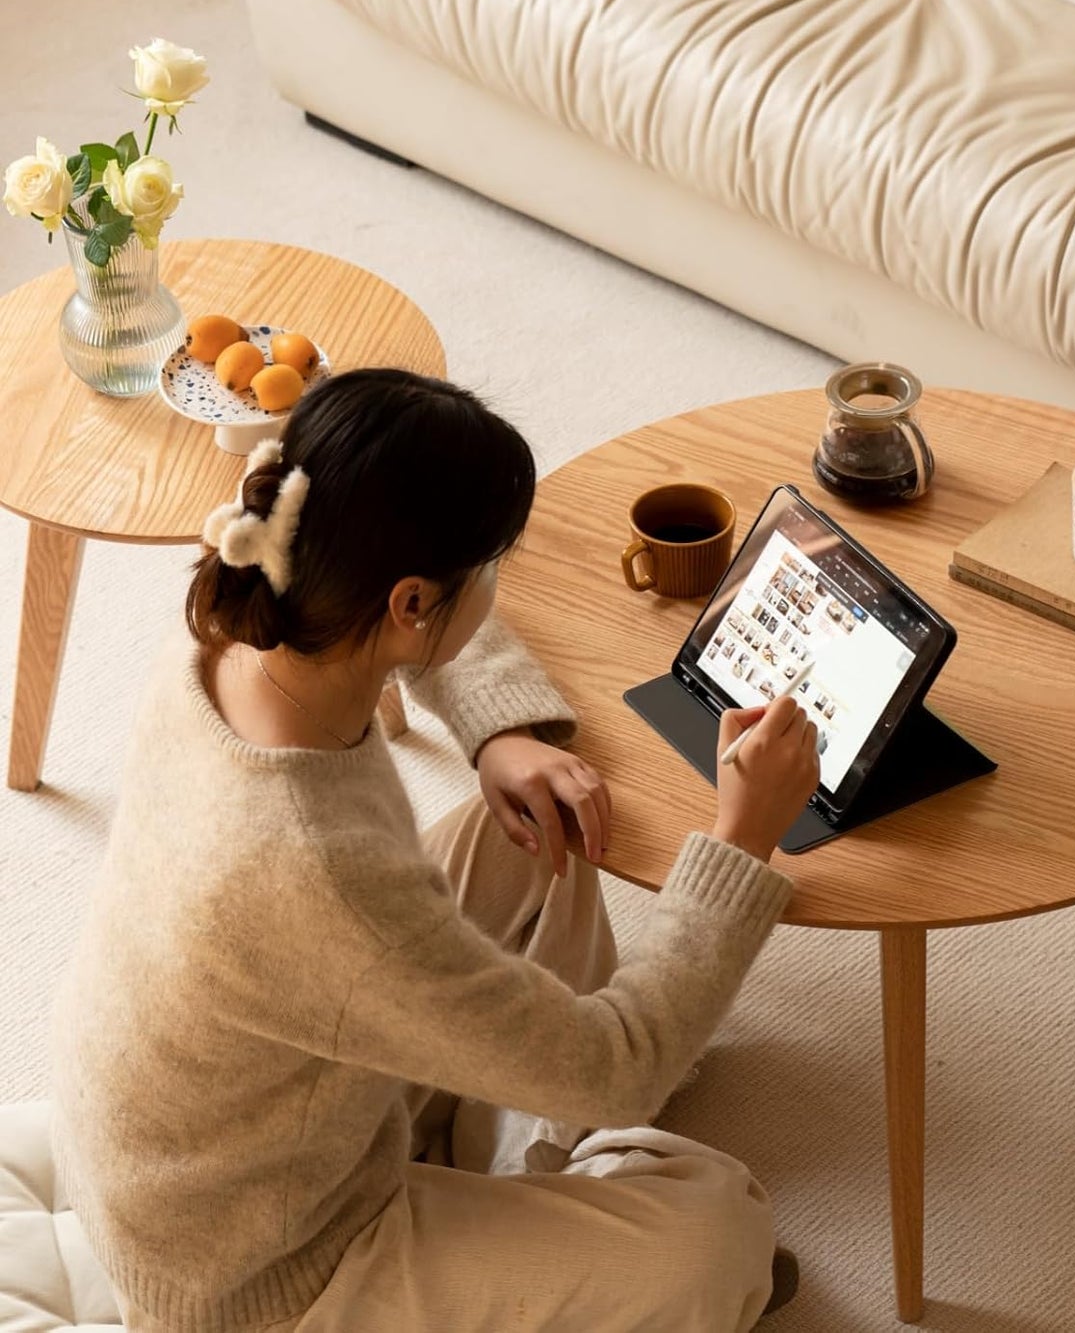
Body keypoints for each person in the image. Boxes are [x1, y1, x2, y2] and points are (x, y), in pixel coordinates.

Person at [50, 368, 820, 1332]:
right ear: (411, 602)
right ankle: (547, 1149)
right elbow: (619, 1068)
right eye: (488, 567)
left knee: (550, 825)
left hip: (200, 1125)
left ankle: (525, 1127)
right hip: (261, 1267)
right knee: (719, 1229)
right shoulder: (311, 868)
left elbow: (437, 619)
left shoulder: (236, 618)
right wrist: (742, 837)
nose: (496, 586)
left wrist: (498, 735)